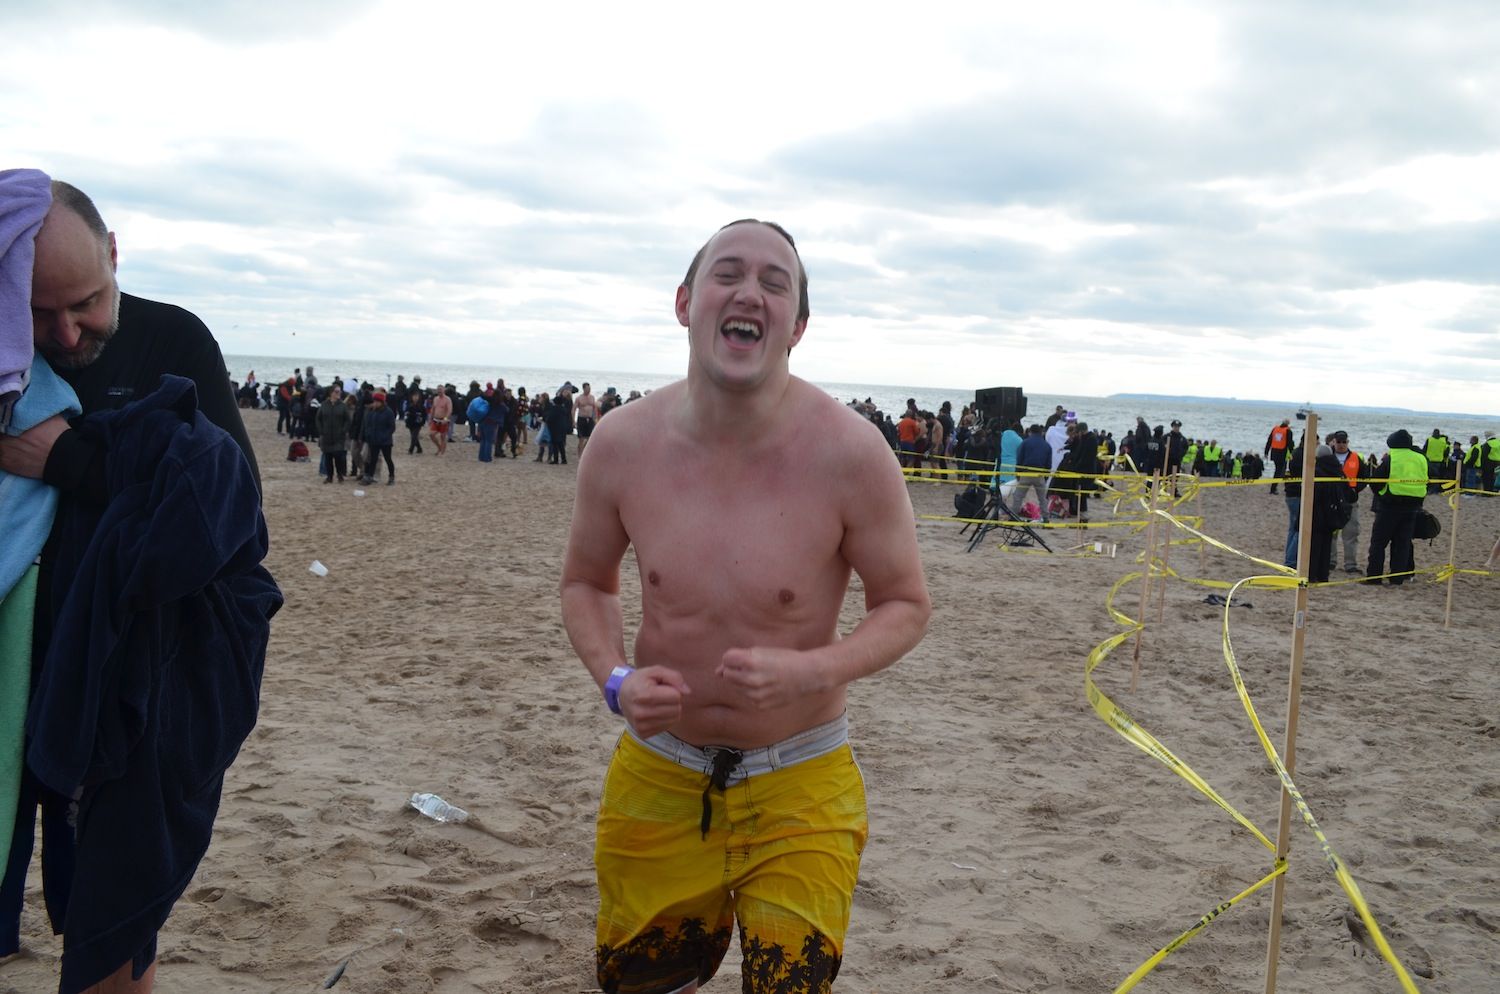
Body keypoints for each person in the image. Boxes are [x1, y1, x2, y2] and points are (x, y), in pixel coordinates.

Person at [559, 219, 930, 994]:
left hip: (804, 777)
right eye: (729, 273)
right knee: (638, 984)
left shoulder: (852, 453)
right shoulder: (623, 443)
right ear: (686, 301)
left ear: (796, 327)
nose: (750, 292)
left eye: (775, 282)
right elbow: (586, 583)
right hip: (659, 774)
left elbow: (904, 604)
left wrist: (813, 669)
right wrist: (617, 680)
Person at [0, 176, 278, 993]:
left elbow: (230, 514)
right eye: (38, 311)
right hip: (19, 673)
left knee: (114, 926)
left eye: (84, 302)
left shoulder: (174, 342)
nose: (65, 331)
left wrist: (65, 461)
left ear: (115, 255)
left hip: (136, 688)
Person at [1365, 429, 1427, 585]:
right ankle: (1397, 578)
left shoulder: (1392, 458)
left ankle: (1374, 577)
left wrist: (1381, 495)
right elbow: (1428, 477)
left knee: (1379, 543)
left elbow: (1376, 481)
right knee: (1402, 544)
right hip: (1413, 507)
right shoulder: (1421, 458)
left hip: (1389, 506)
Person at [1328, 430, 1366, 573]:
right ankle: (1330, 561)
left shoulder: (1356, 458)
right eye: (1339, 442)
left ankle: (1350, 564)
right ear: (1334, 442)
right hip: (1332, 500)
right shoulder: (1328, 456)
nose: (1342, 445)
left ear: (1347, 442)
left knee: (1351, 533)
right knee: (1331, 533)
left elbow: (1364, 477)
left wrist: (1355, 490)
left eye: (1344, 442)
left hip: (1350, 501)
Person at [315, 382, 351, 483]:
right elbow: (318, 418)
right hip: (326, 435)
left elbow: (348, 420)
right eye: (336, 391)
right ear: (331, 393)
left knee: (338, 456)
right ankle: (329, 476)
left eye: (340, 392)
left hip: (338, 436)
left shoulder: (343, 406)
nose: (338, 393)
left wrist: (343, 431)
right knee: (328, 457)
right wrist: (321, 430)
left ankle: (340, 475)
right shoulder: (324, 405)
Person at [359, 391, 396, 485]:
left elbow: (391, 427)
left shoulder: (388, 412)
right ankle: (370, 477)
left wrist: (384, 436)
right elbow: (368, 425)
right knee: (372, 459)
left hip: (385, 441)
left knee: (388, 459)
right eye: (374, 401)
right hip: (373, 440)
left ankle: (391, 477)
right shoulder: (372, 412)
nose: (375, 403)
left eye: (377, 401)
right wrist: (368, 435)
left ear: (382, 402)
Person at [1265, 418, 1292, 495]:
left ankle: (1274, 487)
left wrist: (1266, 452)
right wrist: (1292, 453)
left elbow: (1269, 440)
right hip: (1281, 453)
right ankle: (1273, 488)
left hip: (1274, 452)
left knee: (1278, 470)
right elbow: (1290, 443)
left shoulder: (1275, 429)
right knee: (1279, 471)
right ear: (1288, 424)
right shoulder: (1288, 431)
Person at [574, 382, 599, 457]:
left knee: (590, 438)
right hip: (581, 418)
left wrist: (595, 418)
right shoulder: (579, 398)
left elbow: (594, 408)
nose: (589, 390)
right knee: (581, 438)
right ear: (584, 389)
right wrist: (573, 421)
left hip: (590, 418)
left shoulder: (592, 397)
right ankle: (580, 454)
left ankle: (584, 452)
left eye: (589, 388)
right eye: (587, 388)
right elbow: (574, 409)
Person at [427, 385, 452, 455]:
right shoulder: (435, 398)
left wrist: (445, 419)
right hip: (435, 419)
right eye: (438, 390)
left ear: (444, 390)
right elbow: (433, 409)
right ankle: (439, 447)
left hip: (443, 420)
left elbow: (449, 410)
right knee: (431, 434)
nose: (439, 391)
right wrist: (430, 418)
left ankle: (442, 452)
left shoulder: (447, 399)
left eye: (440, 390)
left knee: (442, 436)